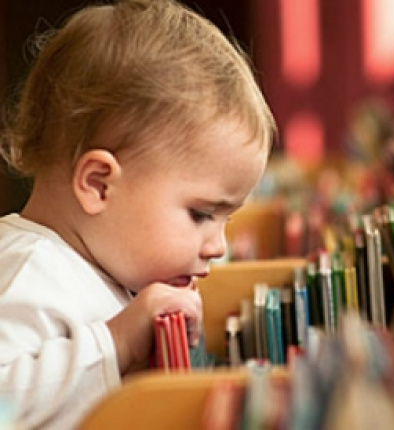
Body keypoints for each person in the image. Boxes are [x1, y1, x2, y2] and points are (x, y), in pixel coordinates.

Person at [0, 0, 275, 428]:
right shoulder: (28, 271)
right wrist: (118, 343)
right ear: (98, 185)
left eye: (227, 219)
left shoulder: (113, 269)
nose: (218, 246)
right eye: (201, 214)